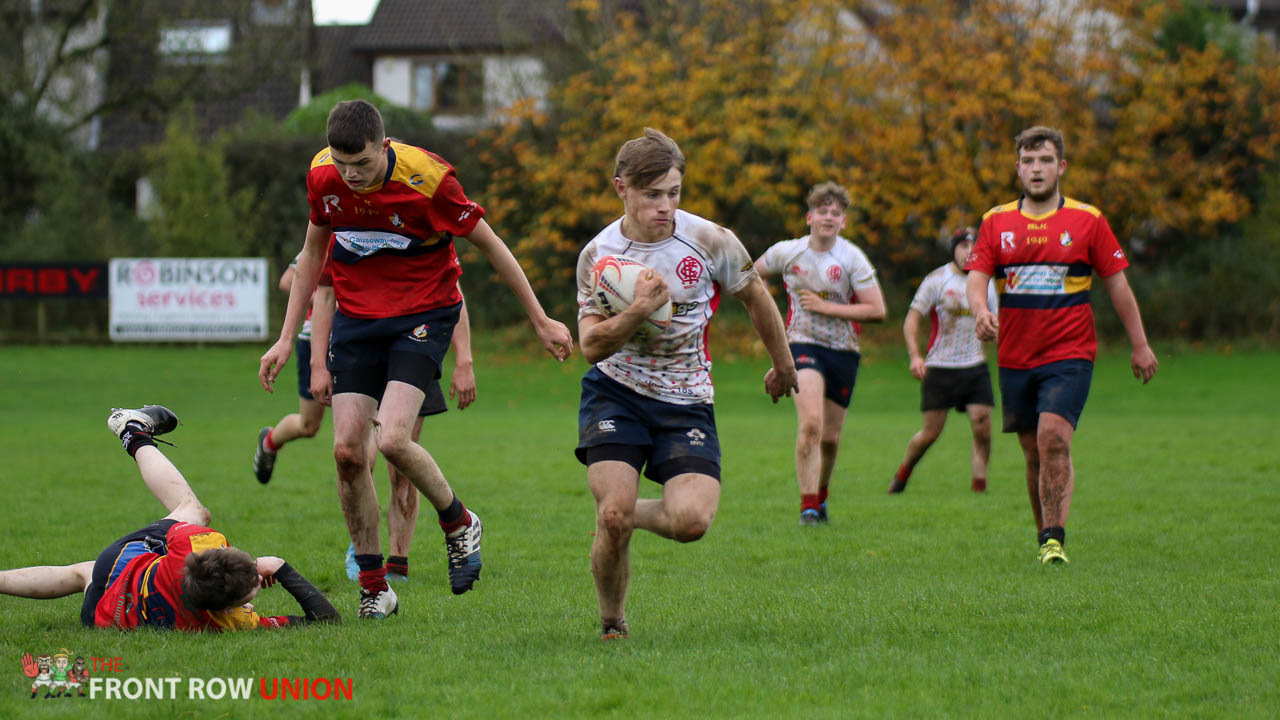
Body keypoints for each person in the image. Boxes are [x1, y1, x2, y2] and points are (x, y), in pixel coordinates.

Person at [258, 100, 572, 618]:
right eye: (342, 164)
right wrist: (288, 338)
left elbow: (493, 247)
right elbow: (313, 252)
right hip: (358, 320)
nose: (351, 176)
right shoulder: (323, 176)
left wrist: (539, 319)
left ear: (385, 147)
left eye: (362, 164)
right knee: (346, 454)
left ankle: (458, 522)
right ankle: (375, 589)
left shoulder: (430, 181)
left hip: (423, 315)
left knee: (395, 440)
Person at [575, 128, 799, 640]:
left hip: (686, 398)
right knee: (610, 513)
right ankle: (612, 624)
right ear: (621, 189)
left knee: (691, 522)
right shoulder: (598, 255)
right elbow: (591, 346)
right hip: (616, 390)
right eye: (652, 194)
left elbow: (757, 295)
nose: (665, 206)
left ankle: (626, 517)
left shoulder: (709, 240)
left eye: (673, 193)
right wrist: (639, 310)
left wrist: (784, 366)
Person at [965, 126, 1158, 565]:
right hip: (1015, 356)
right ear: (1018, 169)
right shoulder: (996, 221)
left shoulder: (1088, 220)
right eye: (1029, 161)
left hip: (1070, 353)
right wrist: (980, 311)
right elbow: (976, 280)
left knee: (1054, 438)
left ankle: (1055, 538)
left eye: (1046, 160)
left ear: (1061, 167)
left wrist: (1140, 344)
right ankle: (1044, 539)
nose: (1037, 169)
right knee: (1033, 452)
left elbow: (1118, 284)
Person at [0, 406, 339, 630]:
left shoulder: (188, 551)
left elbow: (187, 529)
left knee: (192, 510)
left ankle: (132, 431)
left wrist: (270, 565)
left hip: (119, 568)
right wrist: (280, 572)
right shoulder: (228, 623)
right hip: (101, 615)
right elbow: (326, 620)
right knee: (79, 574)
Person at [253, 257, 478, 583]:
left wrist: (465, 357)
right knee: (333, 441)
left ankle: (398, 565)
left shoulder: (419, 218)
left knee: (398, 454)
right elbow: (295, 280)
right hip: (345, 340)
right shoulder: (336, 225)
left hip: (413, 338)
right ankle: (362, 543)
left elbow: (452, 287)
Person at [754, 182, 886, 525]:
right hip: (801, 343)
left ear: (842, 221)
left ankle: (821, 495)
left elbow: (877, 310)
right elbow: (749, 277)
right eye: (823, 211)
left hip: (843, 351)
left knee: (830, 438)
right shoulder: (788, 252)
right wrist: (766, 305)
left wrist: (827, 309)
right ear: (809, 217)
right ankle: (808, 507)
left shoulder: (851, 258)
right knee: (810, 424)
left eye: (836, 213)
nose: (829, 217)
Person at [889, 227, 996, 494]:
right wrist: (915, 356)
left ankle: (979, 489)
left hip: (974, 365)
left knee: (982, 423)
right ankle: (903, 474)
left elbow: (998, 321)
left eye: (974, 246)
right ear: (953, 250)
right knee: (930, 434)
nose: (969, 251)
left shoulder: (988, 283)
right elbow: (912, 320)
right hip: (940, 368)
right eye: (963, 246)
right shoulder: (937, 280)